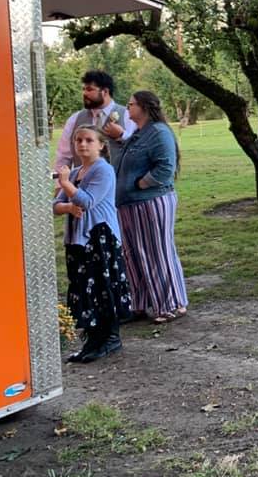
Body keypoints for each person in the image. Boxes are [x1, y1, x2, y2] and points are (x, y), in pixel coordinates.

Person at [53, 125, 132, 362]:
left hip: (100, 237)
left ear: (101, 145)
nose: (82, 144)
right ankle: (92, 339)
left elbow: (87, 201)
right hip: (77, 239)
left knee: (102, 286)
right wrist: (68, 206)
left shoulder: (103, 170)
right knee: (83, 287)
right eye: (78, 140)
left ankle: (110, 338)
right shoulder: (75, 172)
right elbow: (55, 206)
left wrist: (66, 184)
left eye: (88, 140)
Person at [115, 91, 189, 324]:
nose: (127, 107)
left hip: (151, 202)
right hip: (128, 204)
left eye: (131, 104)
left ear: (144, 107)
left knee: (157, 252)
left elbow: (165, 168)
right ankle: (140, 304)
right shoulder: (139, 133)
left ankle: (171, 304)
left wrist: (141, 183)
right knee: (133, 254)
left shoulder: (158, 132)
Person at [55, 70, 135, 173]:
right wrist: (60, 180)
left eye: (89, 89)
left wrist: (122, 135)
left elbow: (138, 150)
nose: (84, 93)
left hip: (117, 181)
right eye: (83, 89)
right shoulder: (75, 119)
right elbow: (63, 156)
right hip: (83, 182)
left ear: (105, 91)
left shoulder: (127, 116)